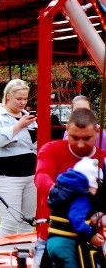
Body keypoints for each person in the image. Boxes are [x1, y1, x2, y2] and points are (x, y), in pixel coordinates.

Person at [34, 108, 103, 268]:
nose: (80, 144)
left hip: (91, 240)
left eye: (87, 138)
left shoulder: (103, 158)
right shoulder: (51, 149)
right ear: (67, 130)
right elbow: (41, 176)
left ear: (97, 131)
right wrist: (57, 192)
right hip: (54, 235)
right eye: (74, 137)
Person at [0, 79, 37, 237]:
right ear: (8, 97)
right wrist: (18, 126)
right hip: (8, 176)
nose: (23, 102)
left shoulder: (28, 116)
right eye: (19, 99)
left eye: (25, 99)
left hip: (31, 174)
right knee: (10, 223)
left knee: (28, 221)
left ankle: (25, 257)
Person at [45, 157, 104, 268]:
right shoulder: (83, 197)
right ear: (91, 183)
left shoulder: (64, 191)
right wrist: (91, 235)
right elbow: (75, 218)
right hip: (66, 244)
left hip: (52, 242)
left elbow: (67, 213)